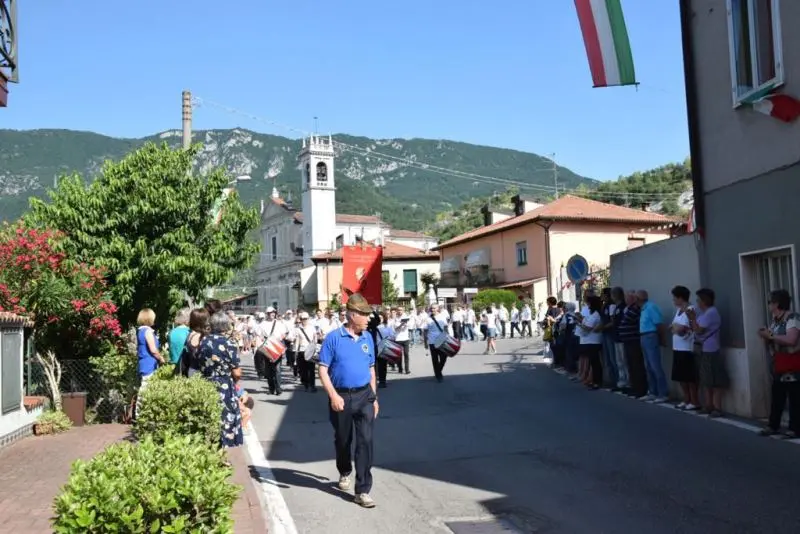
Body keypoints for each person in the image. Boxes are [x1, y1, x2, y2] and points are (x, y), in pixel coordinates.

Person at [318, 293, 379, 508]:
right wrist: (333, 395)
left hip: (364, 396)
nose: (368, 319)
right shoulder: (333, 338)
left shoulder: (368, 337)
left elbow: (371, 368)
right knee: (343, 440)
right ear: (353, 315)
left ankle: (362, 490)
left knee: (366, 441)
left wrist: (374, 397)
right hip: (341, 397)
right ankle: (345, 470)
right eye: (365, 315)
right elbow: (323, 369)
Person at [758, 289, 800, 438]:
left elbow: (791, 340)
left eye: (770, 302)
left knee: (795, 397)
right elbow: (773, 337)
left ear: (777, 303)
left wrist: (769, 335)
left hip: (793, 363)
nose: (769, 305)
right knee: (777, 396)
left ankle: (794, 428)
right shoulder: (775, 320)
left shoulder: (792, 318)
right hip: (779, 362)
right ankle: (773, 425)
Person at [198, 312, 243, 448]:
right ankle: (223, 452)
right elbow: (236, 371)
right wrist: (236, 380)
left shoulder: (204, 341)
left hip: (206, 381)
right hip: (224, 383)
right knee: (226, 418)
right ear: (225, 325)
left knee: (211, 416)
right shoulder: (229, 343)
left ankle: (212, 449)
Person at [688, 288, 727, 417]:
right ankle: (708, 405)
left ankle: (717, 407)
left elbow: (698, 330)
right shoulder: (704, 314)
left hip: (711, 349)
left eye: (699, 300)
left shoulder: (711, 313)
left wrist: (693, 319)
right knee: (706, 379)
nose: (697, 302)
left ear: (704, 300)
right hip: (703, 349)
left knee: (714, 379)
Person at [670, 286, 699, 411]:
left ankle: (694, 400)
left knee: (689, 376)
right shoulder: (678, 311)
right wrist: (675, 328)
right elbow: (674, 326)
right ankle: (686, 399)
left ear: (681, 298)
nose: (673, 300)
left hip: (687, 347)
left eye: (675, 298)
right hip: (677, 347)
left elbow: (686, 328)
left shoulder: (690, 310)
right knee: (681, 376)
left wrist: (678, 328)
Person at [135, 308, 165, 419]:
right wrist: (161, 358)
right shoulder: (147, 331)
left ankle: (140, 414)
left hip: (143, 362)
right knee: (146, 388)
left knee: (145, 387)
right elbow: (153, 350)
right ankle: (139, 415)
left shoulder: (140, 330)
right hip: (149, 363)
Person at [427, 303, 450, 382]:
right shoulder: (428, 318)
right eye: (432, 308)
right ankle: (438, 375)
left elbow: (446, 327)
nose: (433, 310)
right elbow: (425, 330)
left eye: (434, 308)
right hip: (432, 341)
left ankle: (438, 371)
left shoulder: (442, 317)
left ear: (438, 309)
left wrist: (448, 337)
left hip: (441, 340)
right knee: (435, 359)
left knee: (444, 357)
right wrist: (425, 342)